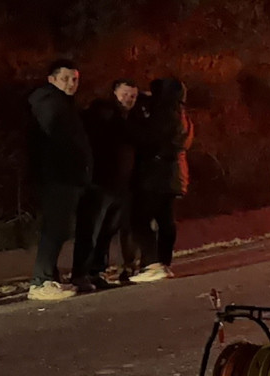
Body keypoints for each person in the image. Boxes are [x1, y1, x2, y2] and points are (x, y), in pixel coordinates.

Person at [26, 59, 92, 301]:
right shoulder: (48, 102)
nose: (71, 83)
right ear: (51, 79)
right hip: (57, 175)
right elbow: (59, 140)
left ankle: (49, 279)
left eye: (74, 79)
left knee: (59, 228)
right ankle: (40, 281)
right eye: (65, 78)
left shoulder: (64, 104)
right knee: (56, 229)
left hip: (66, 176)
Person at [72, 80, 139, 289]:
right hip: (100, 182)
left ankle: (95, 272)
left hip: (120, 183)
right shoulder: (104, 114)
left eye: (133, 96)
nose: (129, 99)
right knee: (91, 229)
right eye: (125, 94)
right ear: (114, 93)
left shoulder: (125, 118)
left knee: (106, 231)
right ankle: (81, 273)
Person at [128, 78, 193, 283]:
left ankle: (152, 263)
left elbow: (146, 138)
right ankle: (164, 262)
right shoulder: (181, 115)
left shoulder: (163, 114)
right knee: (165, 219)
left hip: (157, 174)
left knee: (139, 218)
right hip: (175, 174)